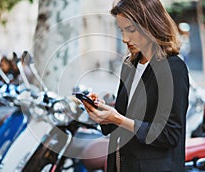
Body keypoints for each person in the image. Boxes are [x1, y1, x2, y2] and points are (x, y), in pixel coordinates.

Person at [80, 0, 189, 171]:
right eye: (121, 30)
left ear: (152, 24)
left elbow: (170, 134)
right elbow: (125, 117)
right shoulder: (129, 65)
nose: (125, 39)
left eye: (131, 30)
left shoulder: (173, 68)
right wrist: (104, 113)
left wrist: (117, 118)